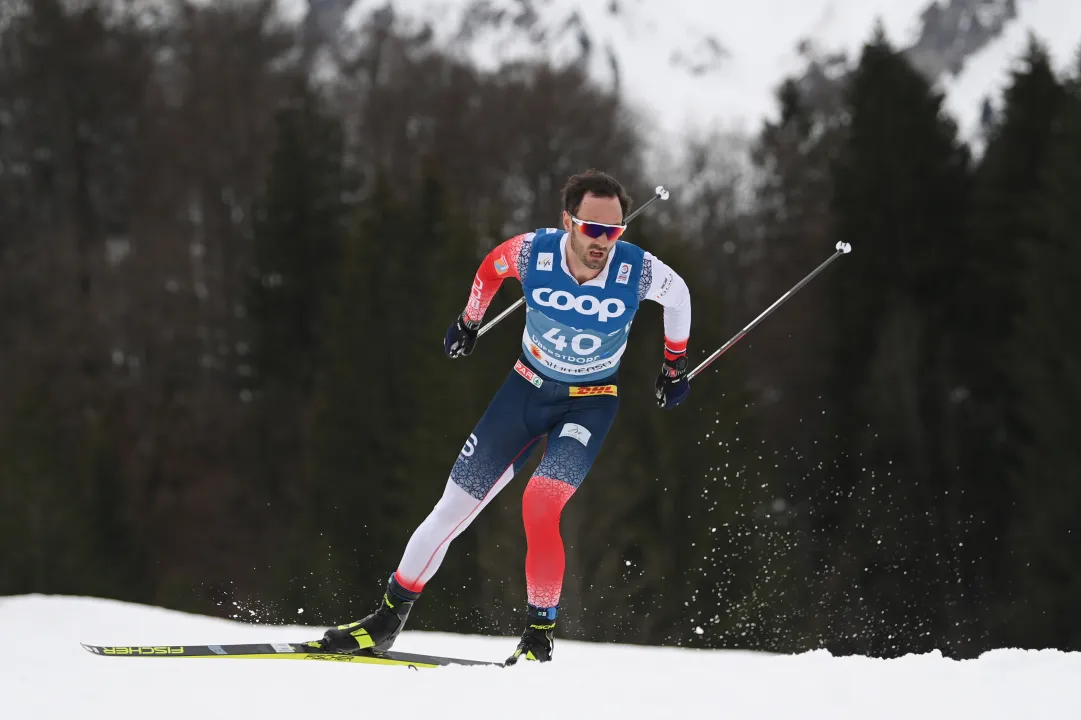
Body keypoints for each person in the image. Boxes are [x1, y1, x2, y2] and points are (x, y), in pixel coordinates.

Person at [305, 169, 693, 664]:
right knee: (451, 508)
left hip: (591, 400)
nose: (603, 242)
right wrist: (470, 319)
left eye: (614, 231)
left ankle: (538, 636)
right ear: (568, 222)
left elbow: (678, 295)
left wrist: (674, 364)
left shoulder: (635, 270)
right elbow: (492, 268)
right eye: (593, 229)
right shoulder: (535, 252)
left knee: (540, 502)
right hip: (526, 390)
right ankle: (384, 621)